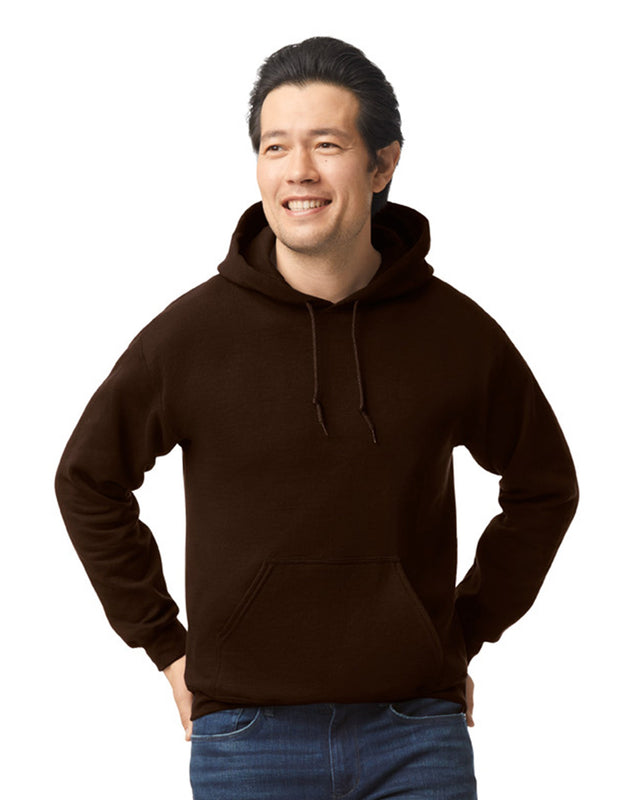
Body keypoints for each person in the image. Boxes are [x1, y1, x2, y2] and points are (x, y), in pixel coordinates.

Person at [55, 36, 579, 800]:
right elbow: (87, 481)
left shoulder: (454, 333)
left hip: (415, 733)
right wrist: (164, 644)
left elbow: (545, 486)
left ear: (382, 164)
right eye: (276, 146)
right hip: (246, 737)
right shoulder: (191, 336)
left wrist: (463, 628)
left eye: (326, 144)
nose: (297, 170)